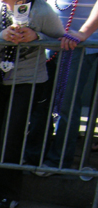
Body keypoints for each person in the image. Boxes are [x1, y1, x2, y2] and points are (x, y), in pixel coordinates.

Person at [0, 0, 64, 208]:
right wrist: (1, 37)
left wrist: (37, 37)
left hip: (29, 81)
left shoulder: (42, 10)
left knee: (13, 134)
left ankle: (10, 193)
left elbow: (61, 39)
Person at [36, 0, 98, 175]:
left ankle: (58, 161)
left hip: (78, 45)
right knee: (43, 103)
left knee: (66, 105)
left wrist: (82, 33)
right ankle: (37, 155)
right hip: (51, 43)